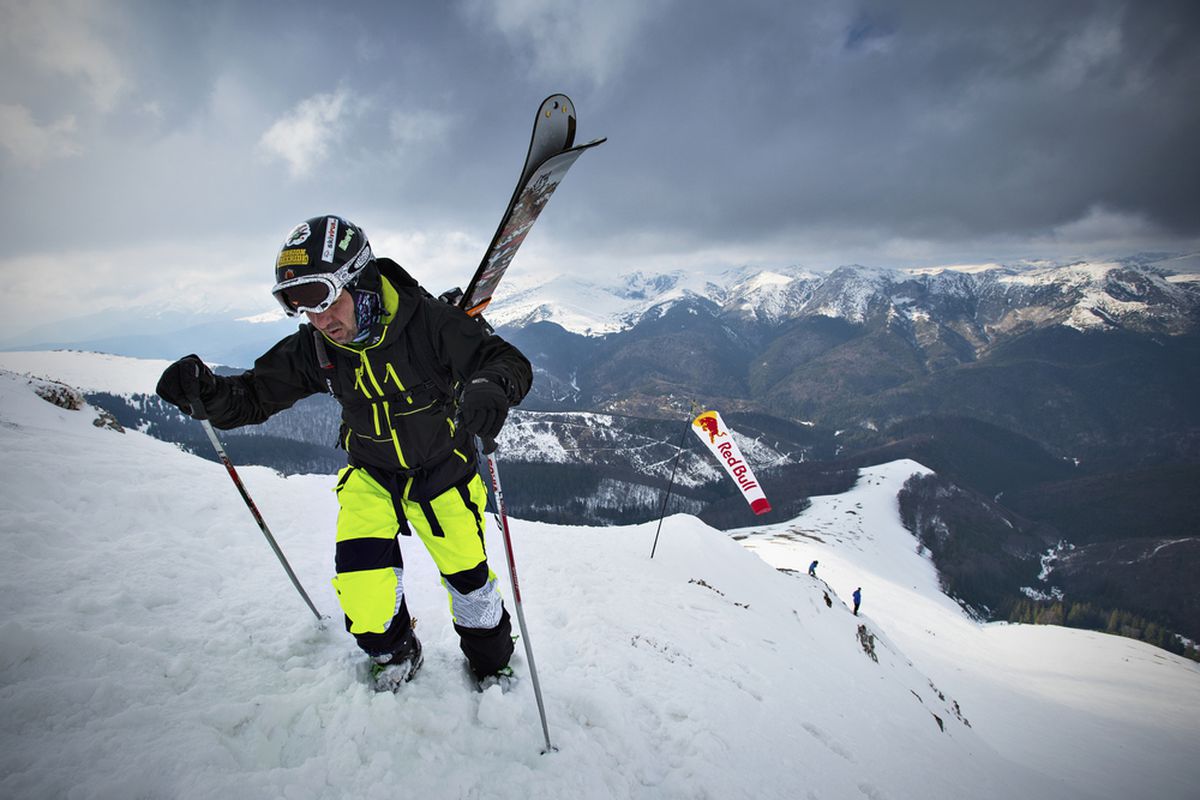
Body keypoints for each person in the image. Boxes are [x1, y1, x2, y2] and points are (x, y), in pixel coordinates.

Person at [156, 215, 532, 692]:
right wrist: (205, 393)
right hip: (373, 477)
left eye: (323, 299)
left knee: (471, 585)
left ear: (360, 279)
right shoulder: (318, 348)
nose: (319, 319)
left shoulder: (431, 325)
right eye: (302, 307)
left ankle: (491, 663)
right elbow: (253, 396)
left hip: (445, 473)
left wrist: (489, 386)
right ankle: (395, 653)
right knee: (363, 590)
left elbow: (507, 361)